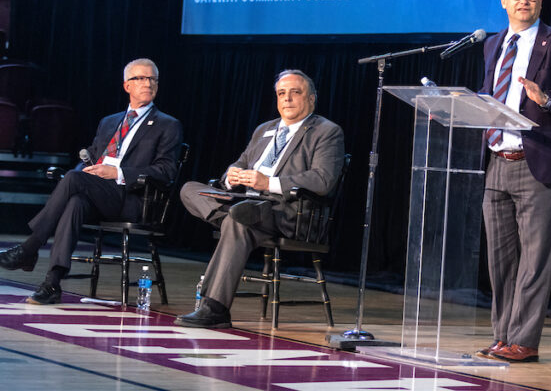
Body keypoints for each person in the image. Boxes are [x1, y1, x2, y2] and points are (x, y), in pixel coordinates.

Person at [0, 59, 183, 304]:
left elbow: (166, 171)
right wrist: (92, 169)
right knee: (75, 201)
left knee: (75, 180)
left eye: (153, 79)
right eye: (141, 78)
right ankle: (52, 282)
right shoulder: (109, 122)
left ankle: (31, 247)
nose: (148, 84)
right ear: (127, 85)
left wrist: (117, 173)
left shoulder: (167, 125)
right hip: (100, 196)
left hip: (134, 198)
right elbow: (94, 159)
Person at [175, 70, 344, 329]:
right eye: (281, 94)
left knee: (240, 219)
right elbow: (240, 163)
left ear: (311, 99)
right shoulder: (264, 129)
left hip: (286, 212)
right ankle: (235, 215)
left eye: (295, 92)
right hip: (246, 204)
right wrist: (231, 176)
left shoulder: (326, 131)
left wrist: (270, 184)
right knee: (190, 188)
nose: (287, 99)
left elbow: (323, 179)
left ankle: (214, 308)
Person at [477, 0, 551, 362]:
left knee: (535, 260)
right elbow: (491, 96)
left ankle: (524, 340)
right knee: (501, 260)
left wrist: (546, 99)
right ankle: (502, 335)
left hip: (537, 161)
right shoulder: (492, 45)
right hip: (497, 160)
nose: (525, 1)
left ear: (540, 3)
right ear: (503, 0)